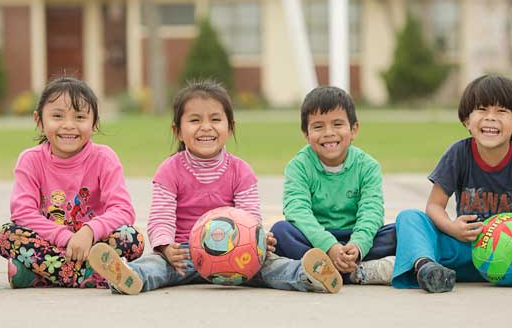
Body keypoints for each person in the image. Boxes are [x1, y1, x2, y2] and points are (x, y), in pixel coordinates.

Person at [88, 81, 343, 295]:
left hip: (237, 254)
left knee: (272, 266)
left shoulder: (240, 170)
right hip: (185, 254)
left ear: (229, 127)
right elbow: (161, 216)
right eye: (195, 120)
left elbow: (250, 215)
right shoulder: (170, 169)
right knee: (155, 266)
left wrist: (259, 239)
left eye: (215, 119)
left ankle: (309, 275)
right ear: (178, 130)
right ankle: (127, 276)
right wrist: (166, 248)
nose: (206, 127)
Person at [392, 75, 512, 293]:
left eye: (501, 111)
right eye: (482, 109)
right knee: (409, 217)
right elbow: (434, 206)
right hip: (470, 247)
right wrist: (452, 227)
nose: (490, 118)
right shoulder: (459, 154)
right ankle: (428, 269)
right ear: (467, 121)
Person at [0, 76, 144, 289]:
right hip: (51, 243)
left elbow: (123, 210)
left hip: (93, 245)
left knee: (132, 238)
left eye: (80, 117)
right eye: (57, 116)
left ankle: (38, 274)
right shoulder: (30, 160)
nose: (68, 126)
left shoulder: (104, 158)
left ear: (94, 123)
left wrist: (89, 232)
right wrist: (65, 238)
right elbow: (22, 212)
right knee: (6, 235)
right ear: (39, 120)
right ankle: (93, 276)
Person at [270, 86, 397, 285]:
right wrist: (330, 246)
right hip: (315, 240)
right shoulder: (298, 166)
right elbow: (297, 210)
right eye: (318, 127)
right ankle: (354, 272)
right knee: (281, 231)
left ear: (354, 129)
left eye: (337, 124)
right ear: (306, 133)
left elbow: (371, 211)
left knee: (397, 232)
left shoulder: (368, 166)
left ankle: (334, 269)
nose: (329, 133)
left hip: (354, 238)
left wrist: (358, 245)